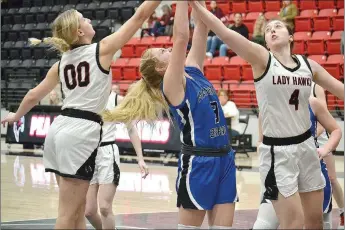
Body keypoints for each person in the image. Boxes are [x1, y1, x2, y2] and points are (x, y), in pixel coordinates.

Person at [1, 2, 161, 229]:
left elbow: (33, 95)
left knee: (77, 213)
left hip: (58, 131)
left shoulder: (61, 63)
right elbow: (140, 16)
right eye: (84, 18)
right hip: (80, 133)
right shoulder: (101, 50)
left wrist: (16, 116)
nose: (89, 20)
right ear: (79, 31)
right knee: (67, 215)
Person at [189, 1, 344, 228]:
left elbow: (341, 90)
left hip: (307, 148)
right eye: (268, 29)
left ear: (291, 36)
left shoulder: (307, 65)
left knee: (314, 221)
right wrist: (198, 7)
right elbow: (224, 32)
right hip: (277, 152)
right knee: (293, 222)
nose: (272, 30)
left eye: (278, 26)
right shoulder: (263, 59)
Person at [103, 1, 238, 228]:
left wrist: (199, 3)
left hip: (225, 157)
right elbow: (182, 37)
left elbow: (202, 28)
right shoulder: (172, 85)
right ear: (159, 68)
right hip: (199, 162)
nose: (168, 49)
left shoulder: (193, 68)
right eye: (163, 52)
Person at [253, 95, 342, 229]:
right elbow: (260, 140)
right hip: (279, 171)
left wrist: (325, 149)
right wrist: (267, 154)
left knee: (320, 224)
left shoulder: (312, 102)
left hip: (310, 171)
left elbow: (335, 129)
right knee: (265, 225)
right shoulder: (269, 103)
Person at [85, 91, 149, 229]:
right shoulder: (86, 96)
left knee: (104, 207)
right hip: (89, 154)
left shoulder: (116, 99)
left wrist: (140, 159)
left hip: (107, 153)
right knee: (89, 211)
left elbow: (132, 129)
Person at [311, 83, 345, 227]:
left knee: (331, 178)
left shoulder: (315, 87)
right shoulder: (288, 86)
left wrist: (309, 136)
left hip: (320, 138)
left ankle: (343, 212)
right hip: (302, 141)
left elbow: (322, 120)